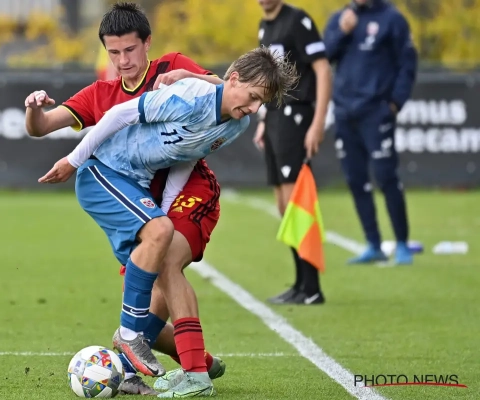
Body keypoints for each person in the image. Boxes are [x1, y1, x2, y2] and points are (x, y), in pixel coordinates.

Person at [39, 46, 297, 397]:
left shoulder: (238, 124)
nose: (254, 108)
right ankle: (147, 346)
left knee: (163, 254)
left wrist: (162, 210)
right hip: (108, 172)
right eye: (253, 97)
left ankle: (152, 360)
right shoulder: (188, 96)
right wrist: (73, 159)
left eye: (260, 103)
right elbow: (117, 115)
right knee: (159, 257)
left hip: (148, 186)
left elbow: (185, 157)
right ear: (234, 79)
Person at [24, 2, 231, 394]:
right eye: (114, 52)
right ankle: (196, 362)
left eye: (130, 50)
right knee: (149, 302)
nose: (123, 61)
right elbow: (41, 127)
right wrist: (33, 110)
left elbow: (226, 89)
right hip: (137, 202)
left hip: (189, 190)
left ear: (147, 43)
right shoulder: (100, 94)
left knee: (164, 266)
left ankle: (190, 371)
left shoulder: (171, 66)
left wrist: (187, 76)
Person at [324, 0, 417, 265]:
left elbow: (407, 63)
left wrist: (395, 103)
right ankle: (373, 244)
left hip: (376, 112)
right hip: (344, 112)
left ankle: (402, 244)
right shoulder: (341, 18)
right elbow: (322, 57)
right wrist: (342, 32)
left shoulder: (392, 18)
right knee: (356, 179)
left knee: (386, 176)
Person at [253, 0, 332, 305]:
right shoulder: (264, 26)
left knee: (296, 201)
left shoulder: (298, 20)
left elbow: (322, 70)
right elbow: (270, 80)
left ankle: (311, 287)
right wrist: (263, 118)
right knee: (283, 206)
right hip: (275, 116)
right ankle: (300, 283)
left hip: (296, 116)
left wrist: (318, 123)